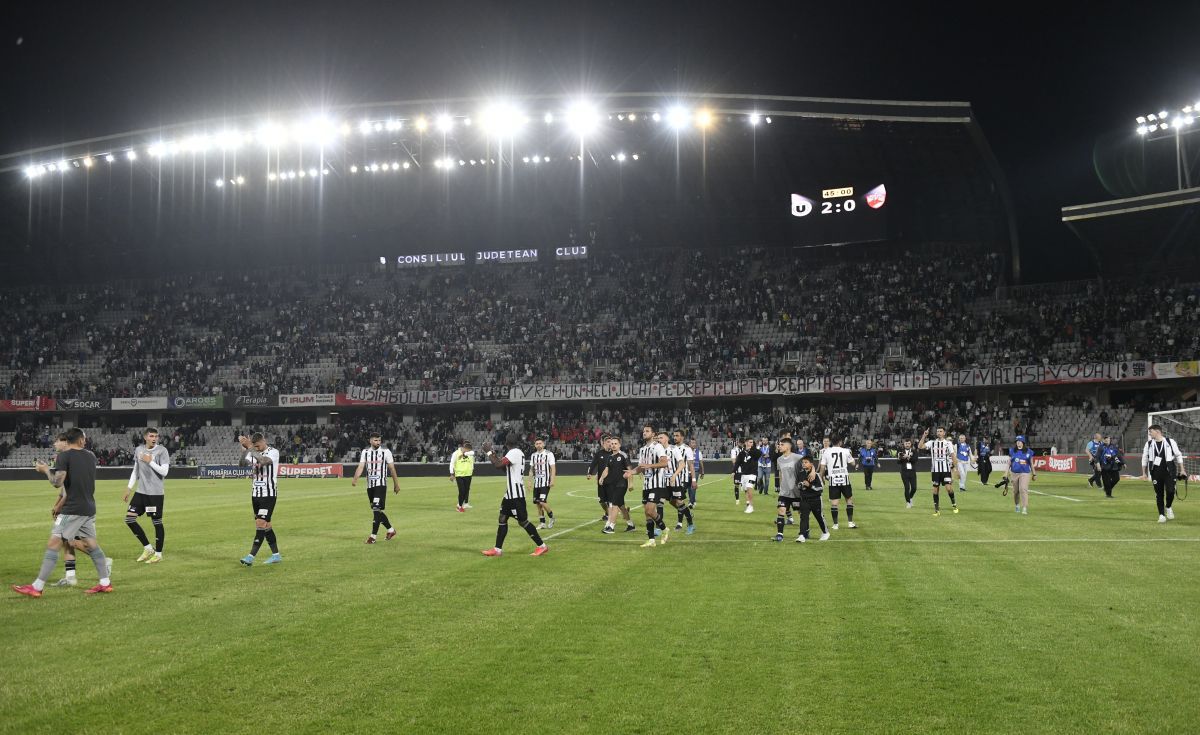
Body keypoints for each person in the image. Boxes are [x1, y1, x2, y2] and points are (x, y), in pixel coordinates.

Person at [14, 428, 113, 597]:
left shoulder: (64, 456)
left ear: (68, 440)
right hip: (89, 508)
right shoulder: (90, 456)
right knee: (91, 545)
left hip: (72, 509)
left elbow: (57, 482)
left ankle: (37, 587)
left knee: (53, 544)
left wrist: (45, 470)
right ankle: (105, 583)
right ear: (81, 440)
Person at [480, 434, 548, 556]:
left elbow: (498, 465)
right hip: (509, 495)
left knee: (523, 522)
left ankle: (541, 546)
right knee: (502, 518)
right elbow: (504, 468)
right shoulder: (517, 452)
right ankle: (497, 549)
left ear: (506, 443)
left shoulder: (514, 452)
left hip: (516, 495)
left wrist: (489, 452)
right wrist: (494, 455)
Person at [124, 427, 171, 564]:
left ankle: (158, 553)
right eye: (151, 436)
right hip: (140, 492)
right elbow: (135, 470)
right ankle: (148, 548)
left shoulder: (162, 451)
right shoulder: (139, 450)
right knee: (129, 519)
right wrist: (128, 488)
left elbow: (164, 472)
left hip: (155, 494)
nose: (154, 438)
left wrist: (150, 461)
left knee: (156, 523)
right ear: (145, 437)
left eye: (156, 436)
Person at [237, 433, 283, 566]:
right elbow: (241, 465)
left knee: (260, 524)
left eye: (258, 446)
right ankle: (276, 555)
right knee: (266, 525)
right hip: (255, 495)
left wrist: (250, 447)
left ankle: (250, 557)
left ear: (264, 441)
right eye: (254, 446)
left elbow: (264, 461)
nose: (256, 448)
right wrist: (244, 450)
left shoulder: (273, 452)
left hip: (268, 495)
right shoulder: (253, 451)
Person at [351, 433, 400, 543]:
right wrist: (355, 479)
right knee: (376, 511)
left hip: (380, 485)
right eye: (376, 440)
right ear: (370, 441)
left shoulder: (385, 452)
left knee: (376, 509)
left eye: (379, 440)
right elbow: (361, 466)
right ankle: (391, 530)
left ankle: (373, 537)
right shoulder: (365, 452)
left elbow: (392, 469)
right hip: (370, 486)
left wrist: (396, 484)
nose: (378, 442)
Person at [629, 424, 670, 547]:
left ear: (653, 434)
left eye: (647, 431)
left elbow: (664, 463)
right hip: (646, 485)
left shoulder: (658, 447)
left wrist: (650, 466)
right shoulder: (642, 449)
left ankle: (664, 529)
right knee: (647, 514)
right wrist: (632, 472)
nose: (644, 433)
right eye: (643, 431)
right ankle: (651, 540)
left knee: (649, 510)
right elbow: (641, 467)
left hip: (656, 484)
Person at [1141, 425, 1185, 523]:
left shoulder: (1170, 442)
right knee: (1159, 494)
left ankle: (1168, 507)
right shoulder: (1148, 444)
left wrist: (1182, 469)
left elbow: (1178, 455)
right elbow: (1144, 458)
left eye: (1151, 431)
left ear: (1157, 431)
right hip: (1156, 472)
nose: (1149, 433)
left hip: (1169, 471)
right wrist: (1144, 473)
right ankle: (1161, 515)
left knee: (1170, 491)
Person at [598, 436, 636, 534]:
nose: (613, 445)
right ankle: (631, 525)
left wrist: (631, 483)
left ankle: (611, 527)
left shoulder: (623, 455)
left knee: (614, 504)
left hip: (622, 484)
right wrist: (602, 478)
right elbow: (606, 469)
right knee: (621, 506)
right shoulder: (610, 457)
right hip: (613, 485)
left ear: (619, 445)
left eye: (616, 443)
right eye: (612, 443)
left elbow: (630, 470)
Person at [819, 435, 856, 530]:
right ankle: (850, 523)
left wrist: (821, 478)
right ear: (840, 442)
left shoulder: (826, 452)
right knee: (849, 500)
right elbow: (853, 463)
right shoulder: (846, 451)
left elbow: (822, 467)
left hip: (833, 479)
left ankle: (835, 524)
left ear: (832, 442)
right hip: (844, 478)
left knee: (834, 503)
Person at [921, 427, 959, 517]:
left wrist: (956, 469)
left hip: (946, 470)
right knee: (935, 490)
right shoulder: (932, 442)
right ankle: (937, 510)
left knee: (948, 488)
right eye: (937, 431)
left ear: (944, 433)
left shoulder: (948, 443)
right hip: (935, 471)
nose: (939, 433)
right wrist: (924, 436)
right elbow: (920, 446)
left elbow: (953, 456)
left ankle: (954, 505)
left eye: (941, 431)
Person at [772, 437, 803, 542]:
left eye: (781, 445)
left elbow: (809, 466)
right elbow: (780, 474)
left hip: (796, 492)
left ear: (788, 446)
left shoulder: (798, 457)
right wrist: (781, 486)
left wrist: (812, 473)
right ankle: (780, 534)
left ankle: (804, 532)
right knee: (781, 510)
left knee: (801, 512)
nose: (779, 446)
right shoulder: (779, 459)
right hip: (784, 491)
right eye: (779, 445)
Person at [794, 455, 830, 543]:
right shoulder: (800, 474)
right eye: (803, 462)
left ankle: (825, 532)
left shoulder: (816, 475)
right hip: (804, 499)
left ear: (811, 464)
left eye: (806, 462)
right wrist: (801, 486)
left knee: (819, 517)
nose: (803, 464)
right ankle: (802, 535)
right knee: (804, 517)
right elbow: (797, 485)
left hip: (816, 500)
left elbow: (820, 488)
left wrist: (809, 485)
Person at [666, 431, 696, 535]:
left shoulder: (687, 449)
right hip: (671, 479)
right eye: (674, 435)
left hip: (682, 478)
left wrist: (693, 480)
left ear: (682, 437)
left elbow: (691, 465)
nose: (674, 437)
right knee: (671, 501)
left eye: (677, 435)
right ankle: (687, 512)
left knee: (679, 501)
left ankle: (682, 523)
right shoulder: (670, 448)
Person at [528, 438, 556, 529]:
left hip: (545, 482)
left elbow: (553, 468)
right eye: (536, 443)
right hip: (537, 483)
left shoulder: (549, 454)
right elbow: (531, 470)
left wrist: (552, 480)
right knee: (538, 504)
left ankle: (552, 517)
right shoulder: (533, 455)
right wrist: (529, 481)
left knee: (542, 502)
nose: (538, 445)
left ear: (543, 444)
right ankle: (542, 523)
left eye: (540, 443)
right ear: (535, 445)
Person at [1004, 435, 1036, 514]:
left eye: (1019, 441)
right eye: (1017, 441)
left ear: (1023, 442)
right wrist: (1005, 473)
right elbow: (1009, 463)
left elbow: (1031, 464)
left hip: (1025, 473)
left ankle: (1024, 507)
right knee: (1015, 491)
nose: (1018, 442)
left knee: (1023, 489)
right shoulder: (1012, 451)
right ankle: (1017, 505)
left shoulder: (1029, 452)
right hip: (1014, 473)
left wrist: (1034, 474)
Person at [587, 435, 613, 521]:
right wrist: (589, 473)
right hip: (601, 482)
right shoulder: (599, 454)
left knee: (610, 501)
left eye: (611, 442)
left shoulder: (614, 454)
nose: (610, 444)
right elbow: (593, 464)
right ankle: (607, 512)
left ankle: (610, 519)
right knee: (601, 501)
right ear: (603, 443)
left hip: (611, 481)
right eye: (608, 442)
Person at [733, 438, 759, 514]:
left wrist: (752, 449)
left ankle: (751, 506)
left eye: (752, 442)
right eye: (750, 442)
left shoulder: (754, 451)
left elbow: (759, 454)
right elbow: (737, 463)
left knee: (749, 488)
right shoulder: (741, 453)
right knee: (746, 490)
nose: (752, 443)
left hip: (752, 474)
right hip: (744, 474)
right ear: (746, 443)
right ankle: (748, 505)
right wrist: (733, 471)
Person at [449, 440, 475, 511]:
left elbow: (472, 460)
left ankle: (462, 504)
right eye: (467, 450)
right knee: (462, 490)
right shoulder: (456, 453)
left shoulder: (469, 453)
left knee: (466, 490)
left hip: (468, 474)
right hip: (459, 475)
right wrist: (452, 473)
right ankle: (459, 506)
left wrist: (472, 469)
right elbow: (452, 463)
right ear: (464, 448)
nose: (468, 452)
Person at [897, 438, 919, 508]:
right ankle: (908, 502)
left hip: (912, 472)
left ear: (911, 444)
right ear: (904, 444)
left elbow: (915, 460)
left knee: (914, 488)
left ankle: (910, 497)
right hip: (904, 472)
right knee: (907, 487)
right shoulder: (900, 451)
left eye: (908, 443)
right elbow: (898, 462)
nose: (907, 445)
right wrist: (899, 458)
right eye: (906, 443)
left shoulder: (914, 451)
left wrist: (908, 457)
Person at [687, 438, 705, 508]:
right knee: (689, 487)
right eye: (692, 443)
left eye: (695, 443)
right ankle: (693, 500)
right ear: (689, 444)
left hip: (696, 471)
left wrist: (702, 472)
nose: (694, 444)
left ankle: (690, 502)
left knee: (693, 486)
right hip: (687, 471)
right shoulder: (686, 451)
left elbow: (701, 462)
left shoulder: (698, 452)